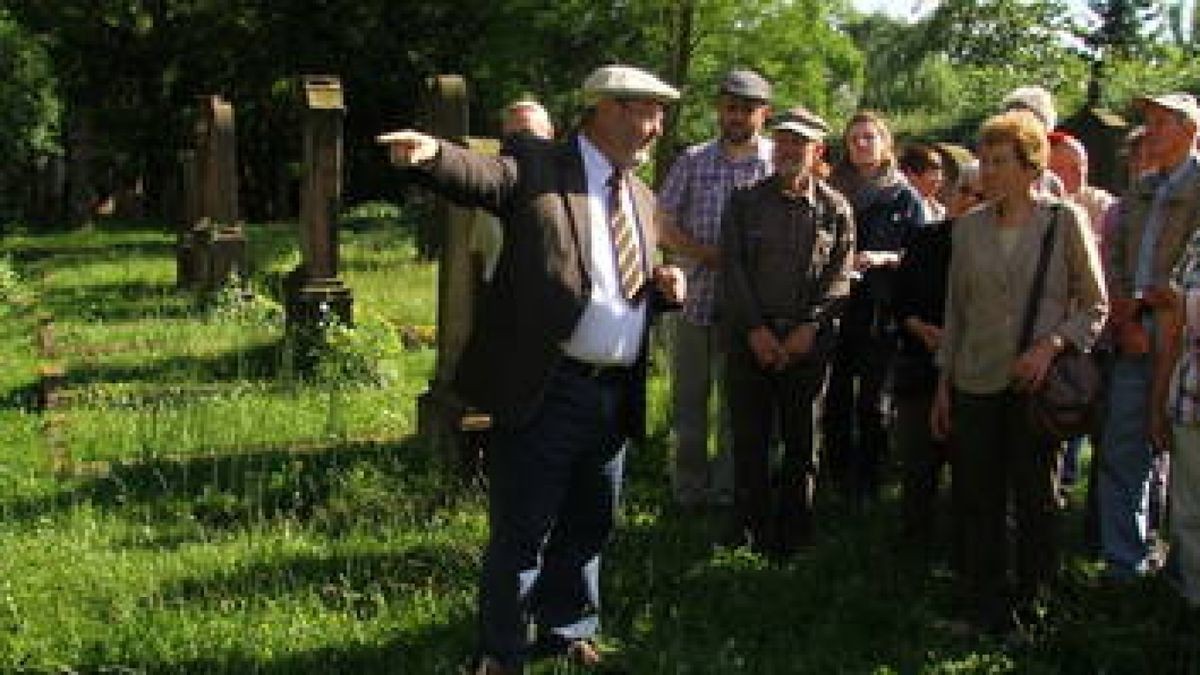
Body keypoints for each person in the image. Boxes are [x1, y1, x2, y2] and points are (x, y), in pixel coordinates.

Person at [378, 64, 686, 674]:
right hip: (550, 383)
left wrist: (662, 289)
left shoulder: (642, 197)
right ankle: (500, 650)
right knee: (523, 527)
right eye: (646, 113)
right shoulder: (541, 165)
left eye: (659, 115)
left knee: (589, 522)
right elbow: (486, 176)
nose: (656, 128)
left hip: (615, 390)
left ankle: (567, 629)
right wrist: (433, 153)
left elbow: (610, 281)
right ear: (605, 109)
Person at [932, 111, 1107, 633]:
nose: (988, 172)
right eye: (984, 161)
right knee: (977, 499)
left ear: (1031, 166)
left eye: (1001, 161)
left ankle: (1033, 610)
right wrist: (945, 385)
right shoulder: (967, 229)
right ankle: (982, 608)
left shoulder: (1063, 220)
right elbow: (956, 311)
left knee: (1035, 500)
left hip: (1035, 384)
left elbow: (1095, 306)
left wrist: (1051, 346)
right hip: (975, 380)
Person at [721, 106, 854, 558]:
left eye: (799, 142)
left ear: (817, 150)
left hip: (807, 346)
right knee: (750, 443)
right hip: (749, 341)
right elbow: (732, 271)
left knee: (802, 445)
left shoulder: (836, 210)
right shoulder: (743, 201)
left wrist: (809, 327)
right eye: (782, 141)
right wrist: (756, 330)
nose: (788, 149)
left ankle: (796, 536)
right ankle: (750, 533)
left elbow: (839, 276)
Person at [657, 69, 773, 510]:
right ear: (719, 111)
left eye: (747, 109)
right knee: (688, 402)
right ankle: (688, 490)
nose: (737, 116)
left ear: (763, 114)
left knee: (734, 408)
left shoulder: (771, 164)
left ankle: (728, 491)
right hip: (692, 300)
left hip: (747, 307)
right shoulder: (693, 160)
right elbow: (662, 224)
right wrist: (704, 253)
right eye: (730, 108)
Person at [1099, 92, 1200, 581]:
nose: (1151, 131)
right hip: (1136, 336)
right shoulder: (1140, 191)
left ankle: (1183, 572)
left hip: (1187, 345)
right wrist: (1126, 319)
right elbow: (1116, 260)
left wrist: (1163, 304)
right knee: (1123, 450)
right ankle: (1125, 564)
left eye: (1162, 122)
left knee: (1186, 460)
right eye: (1149, 122)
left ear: (1190, 130)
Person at [824, 110, 925, 507]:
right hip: (836, 307)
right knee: (834, 399)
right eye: (854, 139)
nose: (861, 144)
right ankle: (835, 478)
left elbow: (920, 256)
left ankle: (869, 481)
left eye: (869, 137)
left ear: (885, 144)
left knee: (871, 402)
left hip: (880, 310)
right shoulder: (832, 190)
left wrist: (885, 258)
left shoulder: (904, 196)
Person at [892, 159, 982, 566]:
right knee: (918, 466)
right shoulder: (926, 240)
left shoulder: (993, 249)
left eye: (981, 196)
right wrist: (918, 326)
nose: (970, 202)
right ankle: (913, 553)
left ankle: (965, 553)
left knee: (971, 473)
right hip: (920, 366)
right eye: (964, 192)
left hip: (975, 372)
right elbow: (899, 299)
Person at [1046, 131, 1116, 495]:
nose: (1071, 176)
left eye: (1078, 168)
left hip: (1090, 332)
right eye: (1059, 168)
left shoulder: (1102, 207)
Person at [1148, 226, 1200, 608]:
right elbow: (1173, 324)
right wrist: (1158, 399)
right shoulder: (1198, 240)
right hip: (1191, 399)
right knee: (1189, 513)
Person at [899, 142, 947, 222]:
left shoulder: (938, 209)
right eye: (933, 171)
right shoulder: (901, 208)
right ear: (911, 174)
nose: (940, 179)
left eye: (940, 172)